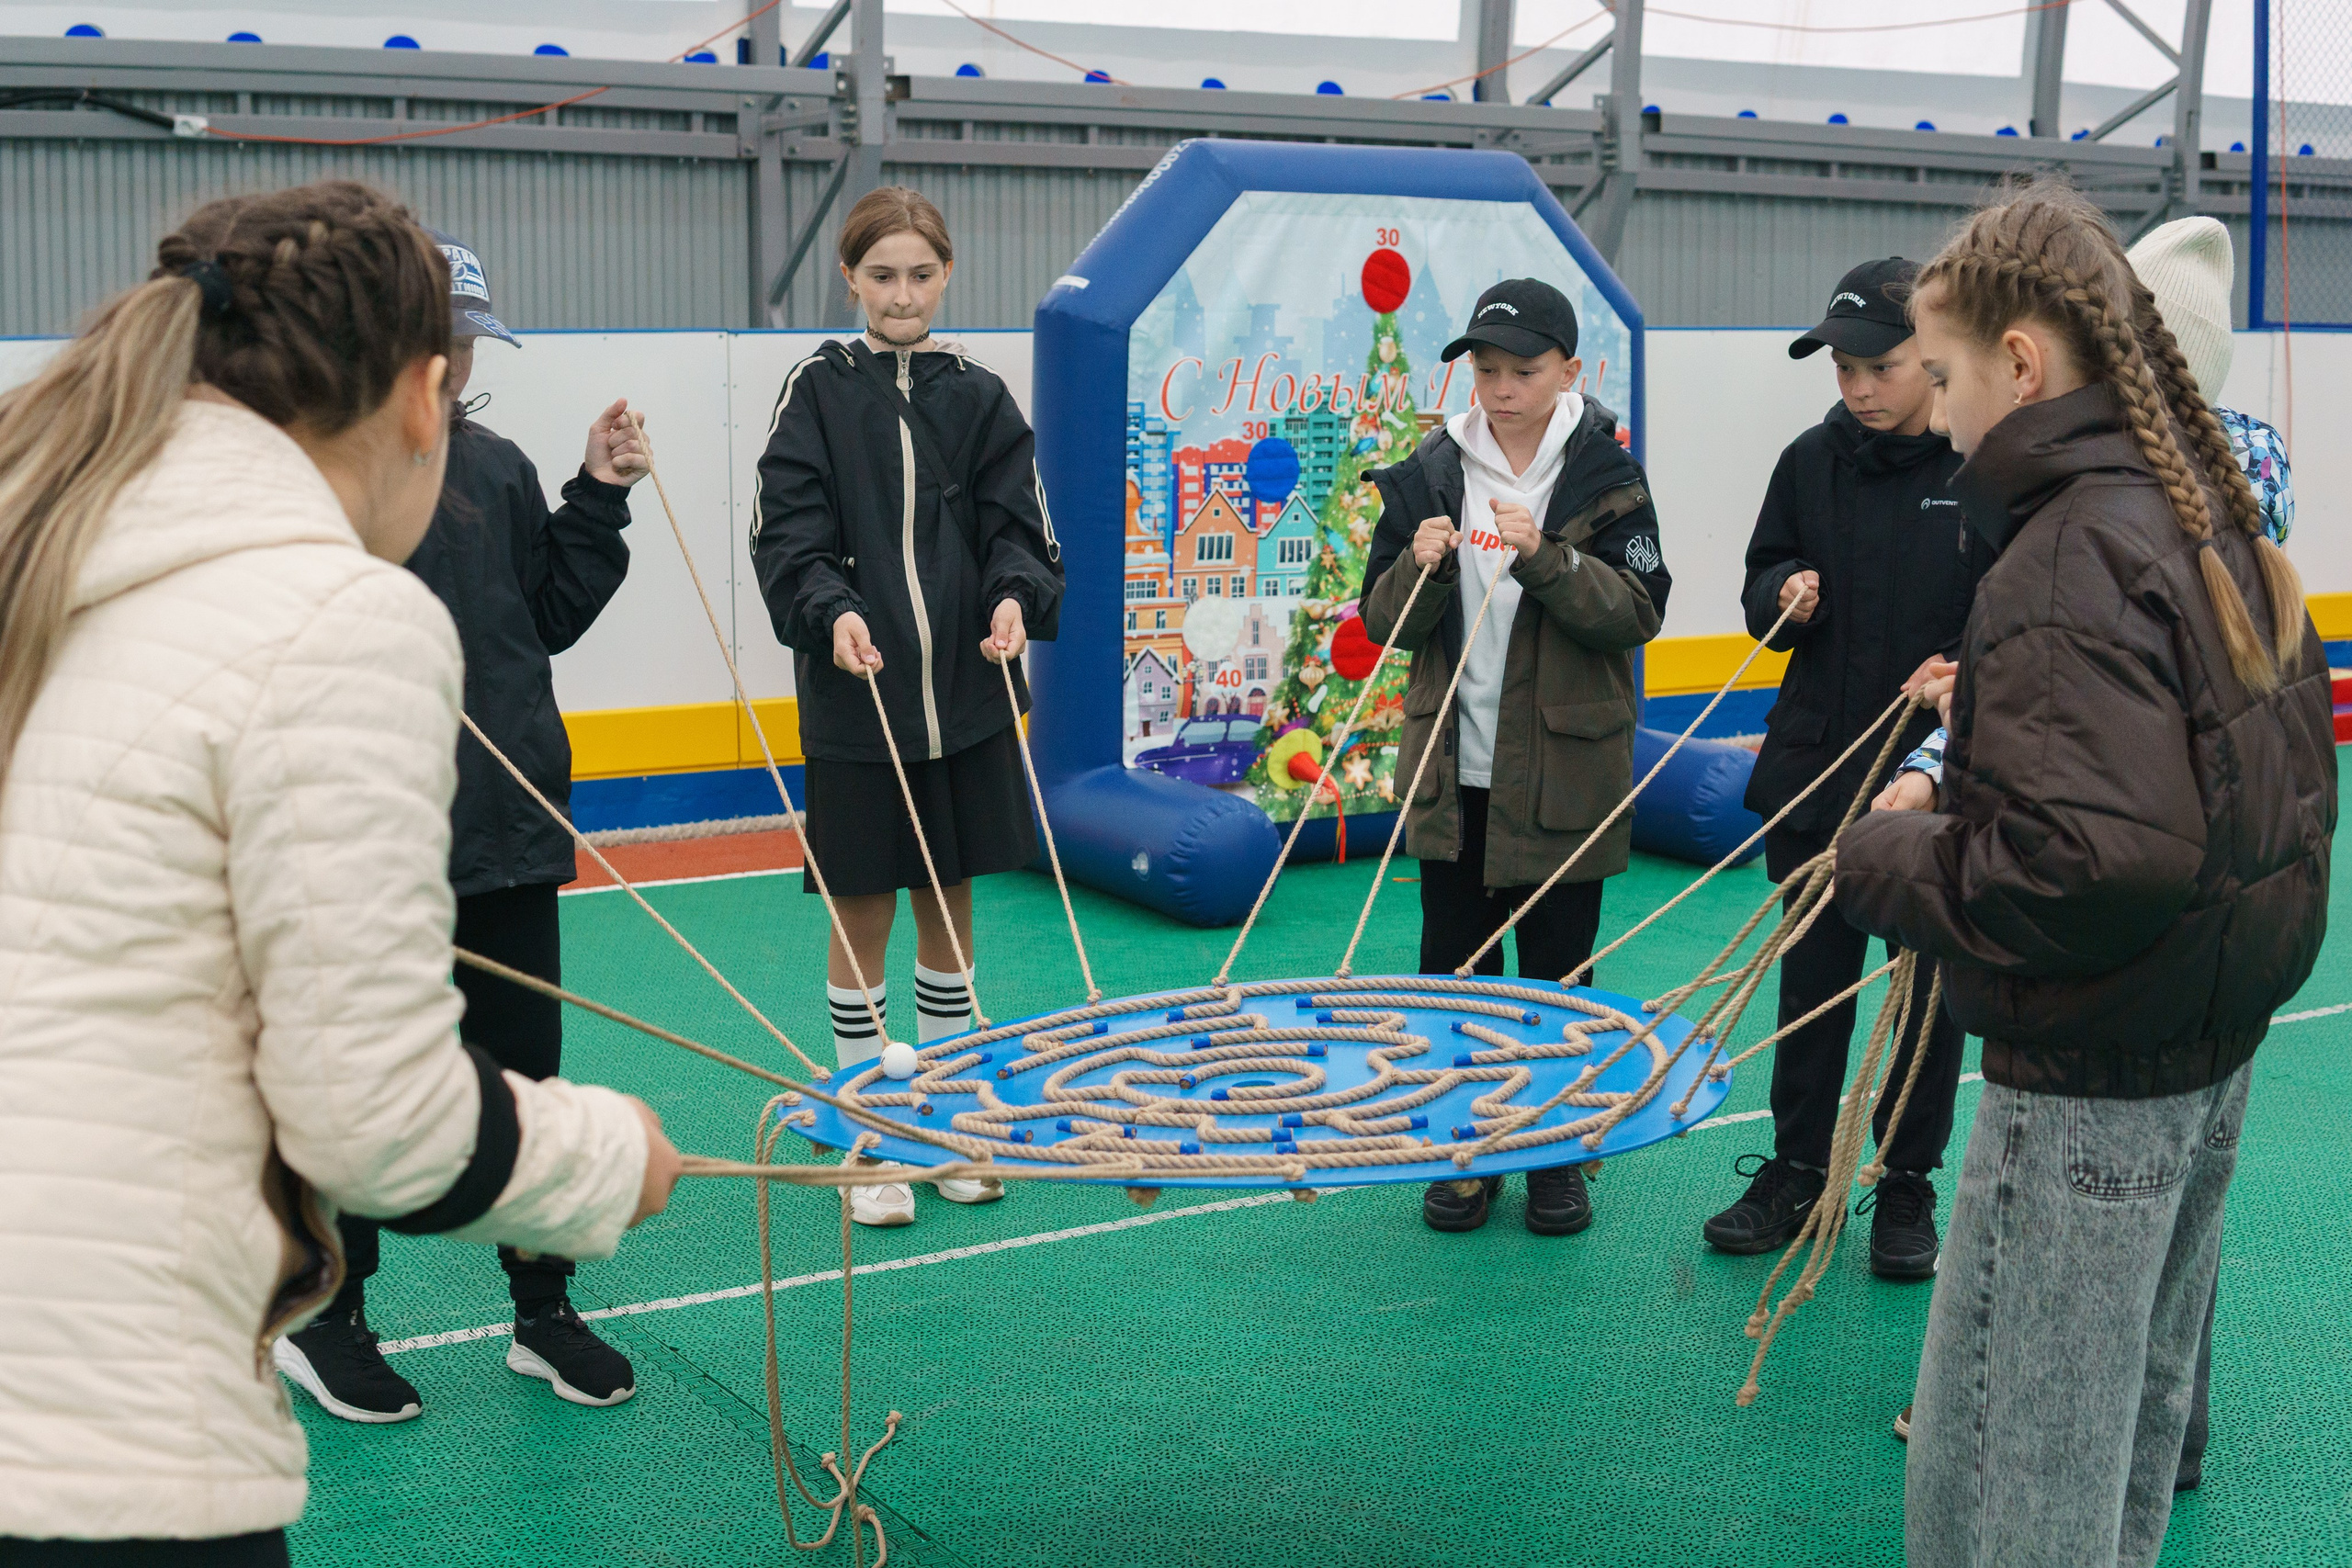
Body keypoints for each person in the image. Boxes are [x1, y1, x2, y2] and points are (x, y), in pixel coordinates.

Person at [0, 181, 680, 1564]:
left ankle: (528, 1314)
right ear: (425, 389)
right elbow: (371, 1116)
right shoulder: (325, 613)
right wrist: (611, 1156)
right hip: (103, 1423)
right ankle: (349, 1322)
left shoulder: (69, 525)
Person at [1835, 182, 2334, 1568]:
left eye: (1940, 374)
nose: (1934, 413)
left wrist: (1891, 852)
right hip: (2200, 1053)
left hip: (2094, 1089)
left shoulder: (2066, 553)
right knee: (2118, 1452)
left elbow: (2088, 862)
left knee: (2015, 1491)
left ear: (2022, 364)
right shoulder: (2199, 510)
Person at [275, 231, 654, 1425]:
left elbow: (543, 613)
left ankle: (541, 1309)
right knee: (360, 1080)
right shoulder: (319, 480)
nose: (453, 363)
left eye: (467, 343)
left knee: (526, 1070)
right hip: (371, 837)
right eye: (437, 340)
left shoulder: (493, 465)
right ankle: (327, 1315)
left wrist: (597, 493)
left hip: (507, 829)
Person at [751, 186, 1063, 1228]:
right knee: (863, 905)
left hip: (968, 699)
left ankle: (946, 1119)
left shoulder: (980, 395)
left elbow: (1023, 532)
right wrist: (830, 612)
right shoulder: (815, 392)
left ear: (947, 275)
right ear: (850, 280)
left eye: (919, 273)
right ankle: (869, 1133)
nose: (900, 292)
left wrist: (1017, 600)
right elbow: (784, 538)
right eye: (880, 274)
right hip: (857, 701)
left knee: (950, 898)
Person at [1700, 258, 1994, 1280]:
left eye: (1879, 365)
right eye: (1841, 369)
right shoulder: (1803, 462)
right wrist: (1784, 589)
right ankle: (1792, 1169)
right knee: (1808, 982)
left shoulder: (1977, 471)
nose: (1859, 386)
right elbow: (1754, 582)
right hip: (1813, 768)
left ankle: (1903, 1185)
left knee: (1924, 993)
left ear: (1930, 359)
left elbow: (2016, 618)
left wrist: (1963, 666)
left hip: (1930, 782)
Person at [1360, 277, 1671, 1238]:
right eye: (1486, 369)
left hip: (1566, 773)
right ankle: (1467, 1149)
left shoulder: (1605, 477)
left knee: (1557, 978)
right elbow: (1383, 627)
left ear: (1568, 371)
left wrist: (1547, 560)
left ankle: (1554, 1154)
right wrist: (1415, 566)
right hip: (1456, 766)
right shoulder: (1426, 472)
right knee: (1451, 973)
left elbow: (1638, 613)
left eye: (1522, 370)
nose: (1500, 387)